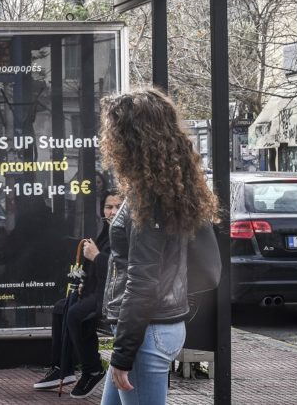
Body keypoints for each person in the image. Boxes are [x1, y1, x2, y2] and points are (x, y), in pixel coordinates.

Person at [98, 87, 219, 405]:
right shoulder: (169, 186)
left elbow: (142, 280)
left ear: (131, 137)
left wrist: (123, 353)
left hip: (146, 334)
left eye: (113, 132)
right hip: (154, 328)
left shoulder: (148, 197)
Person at [34, 191, 124, 398]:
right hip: (97, 292)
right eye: (109, 207)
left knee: (76, 314)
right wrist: (84, 283)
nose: (113, 212)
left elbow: (122, 270)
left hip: (112, 297)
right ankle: (61, 367)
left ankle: (92, 368)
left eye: (119, 207)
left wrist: (97, 256)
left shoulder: (125, 233)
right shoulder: (106, 232)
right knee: (61, 308)